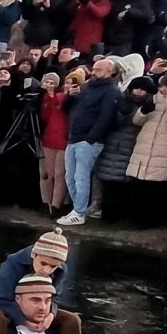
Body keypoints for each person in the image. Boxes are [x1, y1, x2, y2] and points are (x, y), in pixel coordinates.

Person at [58, 59, 121, 226]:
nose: (94, 72)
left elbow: (105, 117)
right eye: (94, 69)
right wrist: (70, 97)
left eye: (99, 70)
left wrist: (91, 138)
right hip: (73, 137)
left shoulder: (111, 91)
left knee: (81, 176)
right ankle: (77, 208)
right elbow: (66, 109)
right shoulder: (86, 87)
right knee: (69, 176)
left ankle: (79, 212)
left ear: (109, 72)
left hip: (88, 141)